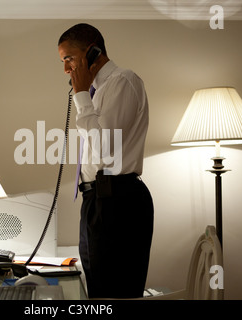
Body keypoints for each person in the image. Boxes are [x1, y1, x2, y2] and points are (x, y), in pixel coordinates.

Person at [57, 23, 154, 298]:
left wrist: (80, 97)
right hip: (96, 201)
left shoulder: (123, 81)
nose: (65, 69)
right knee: (97, 292)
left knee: (114, 293)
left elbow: (104, 148)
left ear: (92, 52)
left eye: (69, 59)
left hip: (118, 202)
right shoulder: (95, 93)